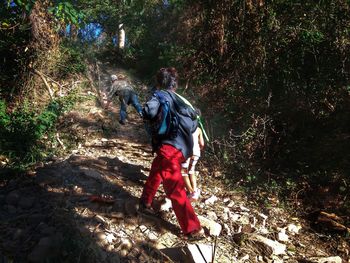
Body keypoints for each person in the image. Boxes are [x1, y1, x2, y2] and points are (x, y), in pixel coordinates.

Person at [139, 67, 205, 240]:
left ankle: (192, 229)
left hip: (169, 146)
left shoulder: (159, 95)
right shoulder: (182, 101)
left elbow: (148, 112)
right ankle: (145, 201)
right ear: (175, 84)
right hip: (184, 148)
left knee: (174, 187)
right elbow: (192, 126)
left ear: (160, 82)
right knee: (156, 169)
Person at [182, 121, 205, 201]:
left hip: (187, 153)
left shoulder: (185, 127)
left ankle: (190, 192)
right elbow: (202, 143)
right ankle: (194, 191)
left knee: (184, 172)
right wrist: (199, 149)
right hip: (196, 153)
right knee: (191, 171)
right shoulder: (199, 130)